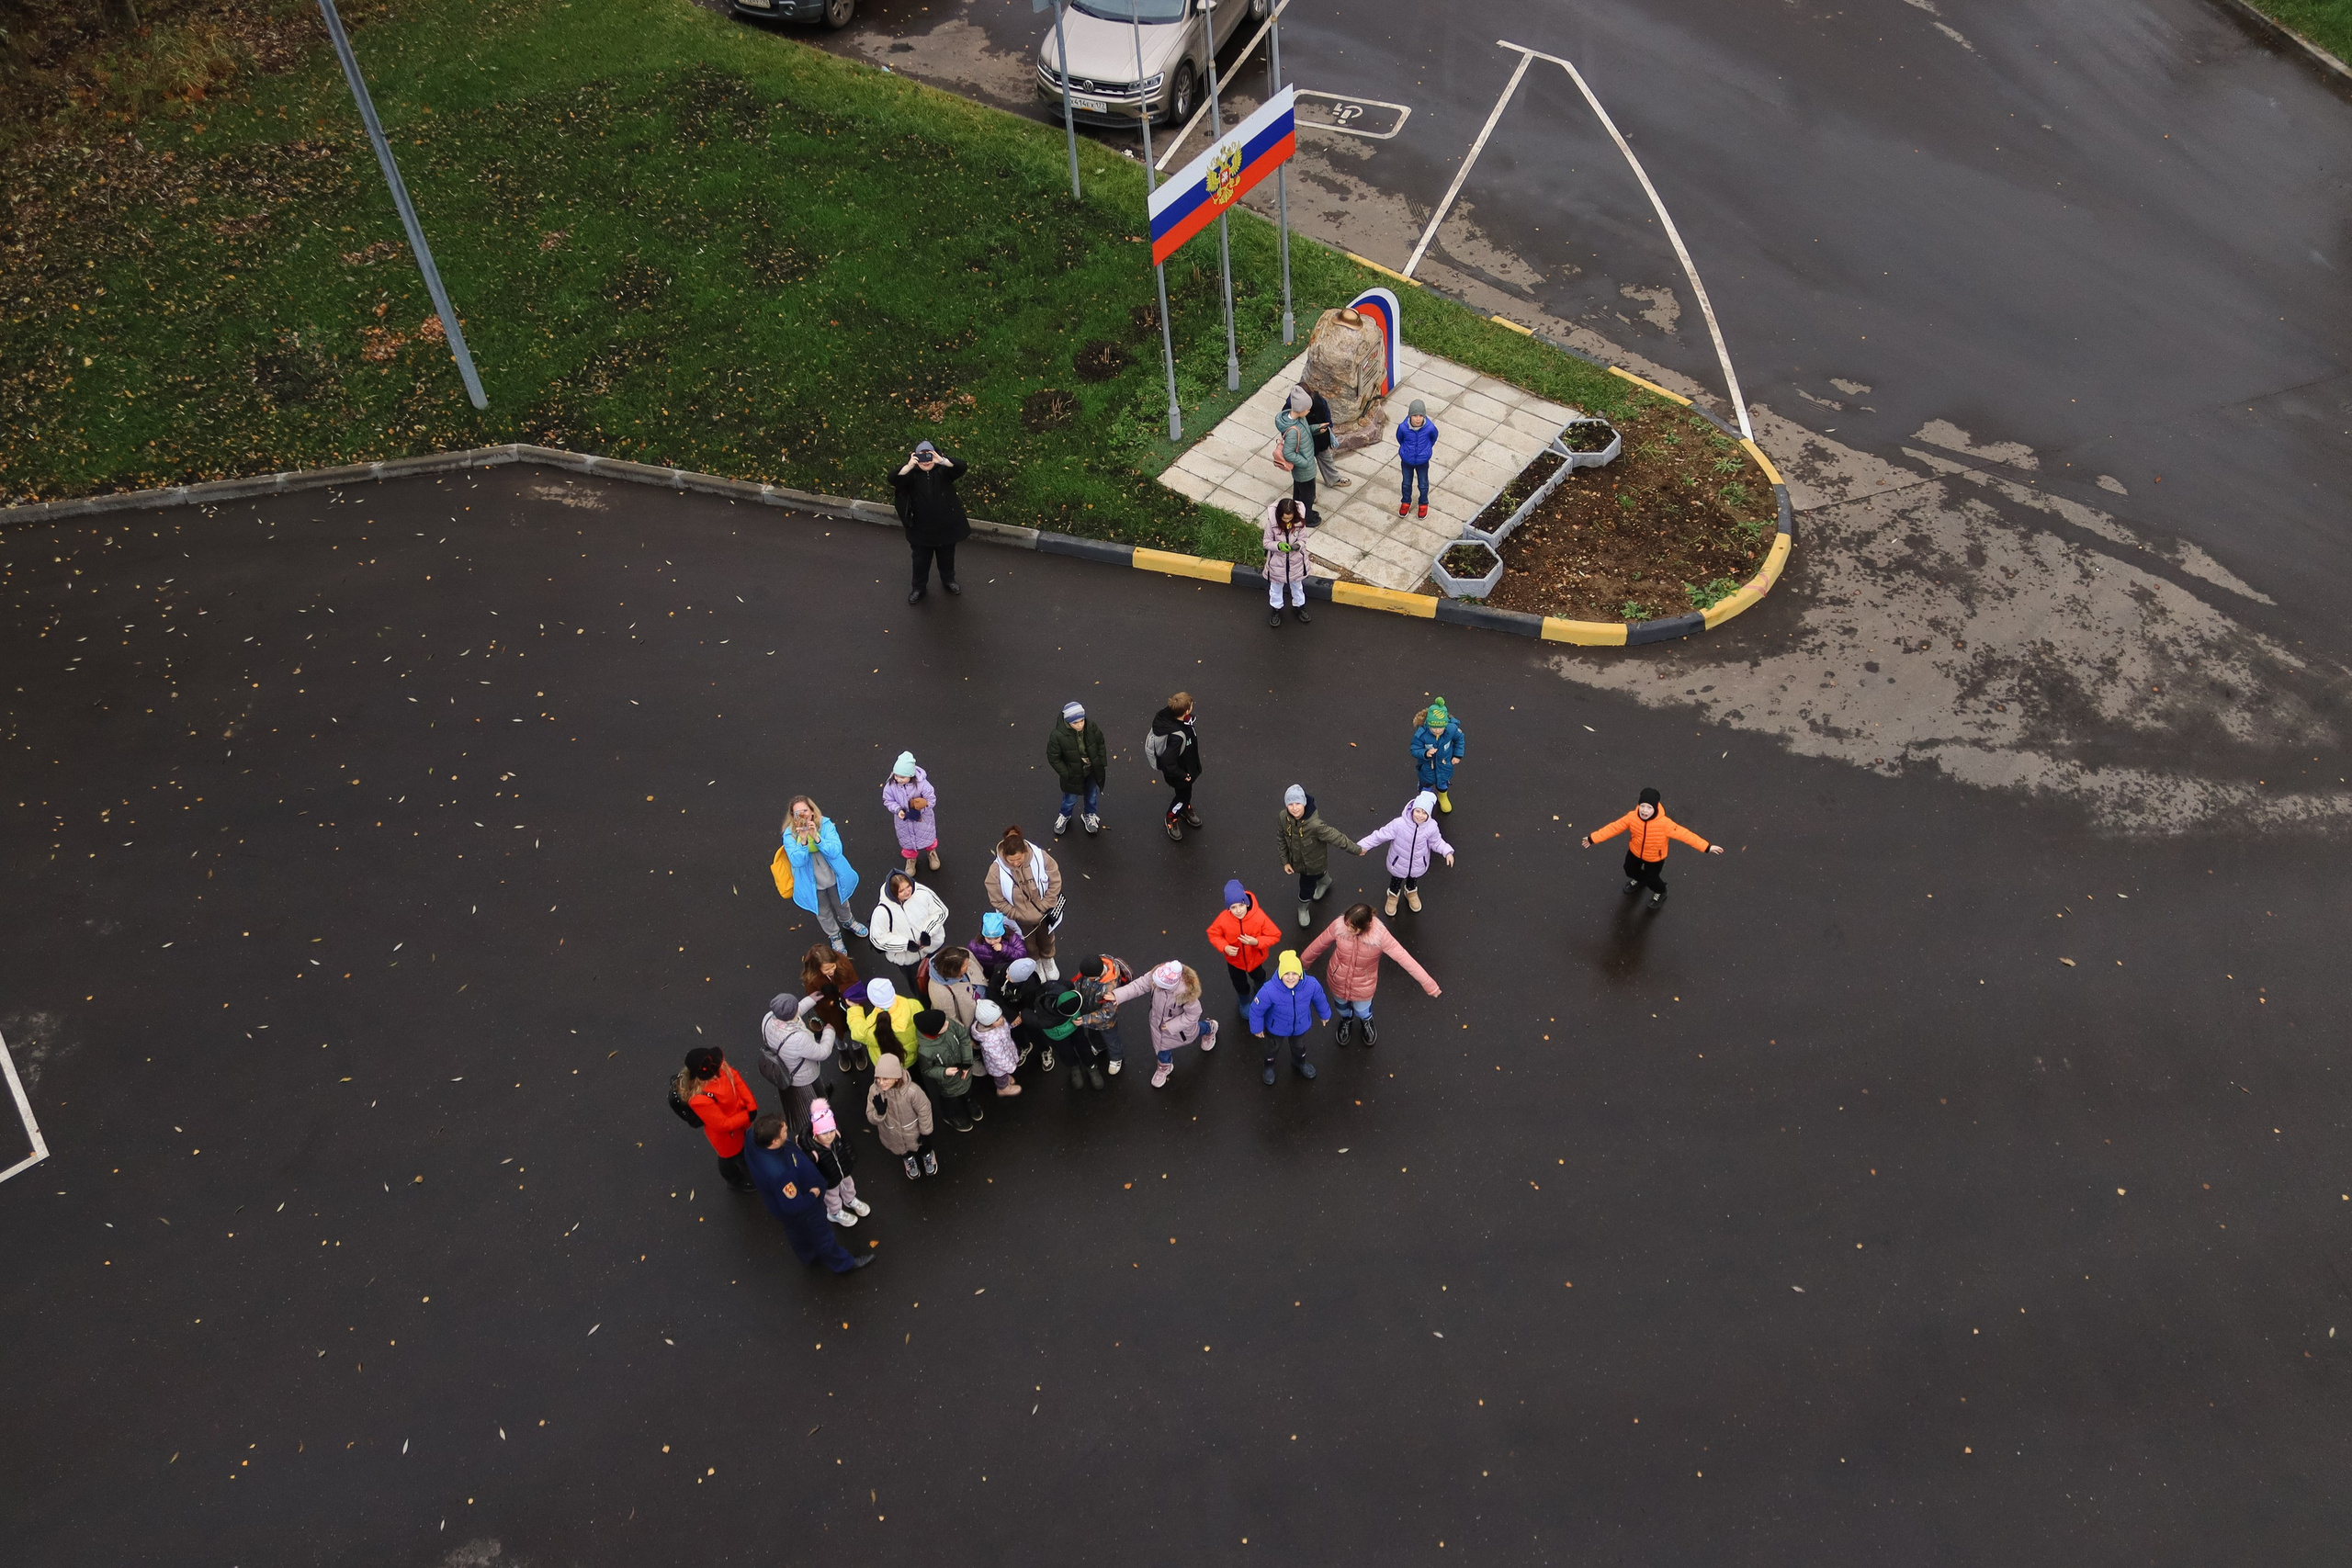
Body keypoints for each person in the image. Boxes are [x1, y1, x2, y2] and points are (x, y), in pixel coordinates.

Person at [1299, 902, 1440, 1047]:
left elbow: (1405, 959)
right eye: (1346, 923)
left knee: (1362, 1009)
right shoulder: (1339, 925)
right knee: (1341, 1006)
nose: (1347, 928)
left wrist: (1429, 984)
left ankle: (1366, 1020)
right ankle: (1346, 1020)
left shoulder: (1381, 937)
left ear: (1364, 926)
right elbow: (1319, 944)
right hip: (1338, 979)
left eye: (1352, 927)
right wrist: (1301, 966)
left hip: (1364, 985)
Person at [745, 1114, 874, 1272]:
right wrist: (813, 1194)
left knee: (797, 1232)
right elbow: (795, 1206)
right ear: (775, 1142)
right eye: (785, 1132)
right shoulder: (779, 1174)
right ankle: (843, 1264)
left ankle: (808, 1255)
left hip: (783, 1210)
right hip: (807, 1209)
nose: (788, 1133)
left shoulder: (752, 1136)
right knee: (823, 1238)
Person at [1581, 786, 1724, 907]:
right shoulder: (1632, 817)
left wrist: (1707, 847)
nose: (1644, 810)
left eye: (1649, 807)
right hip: (1635, 851)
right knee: (1629, 869)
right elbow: (1613, 828)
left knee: (1652, 879)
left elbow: (1686, 835)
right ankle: (1639, 878)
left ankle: (1661, 891)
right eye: (1642, 806)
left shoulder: (1665, 824)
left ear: (1655, 808)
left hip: (1655, 857)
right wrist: (1592, 838)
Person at [1110, 960, 1218, 1089]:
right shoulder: (1157, 976)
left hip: (1180, 1029)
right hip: (1158, 1025)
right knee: (1161, 1047)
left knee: (1196, 1032)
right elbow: (1138, 986)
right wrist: (1117, 995)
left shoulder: (1186, 995)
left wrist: (1172, 1025)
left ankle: (1210, 1027)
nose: (1154, 984)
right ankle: (1164, 1066)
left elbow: (1193, 1014)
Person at [780, 795, 867, 953]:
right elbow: (797, 861)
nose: (802, 815)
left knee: (841, 901)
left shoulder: (825, 825)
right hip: (811, 880)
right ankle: (835, 936)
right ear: (793, 817)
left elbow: (836, 851)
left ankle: (848, 921)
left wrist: (817, 838)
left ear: (812, 811)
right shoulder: (790, 835)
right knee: (822, 911)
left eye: (805, 810)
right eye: (797, 813)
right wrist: (804, 841)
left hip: (832, 874)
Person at [891, 440, 969, 604]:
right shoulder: (911, 476)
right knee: (920, 561)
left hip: (946, 529)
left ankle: (949, 580)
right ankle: (918, 587)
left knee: (947, 557)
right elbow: (893, 479)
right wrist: (908, 466)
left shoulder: (943, 472)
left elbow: (961, 466)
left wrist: (941, 460)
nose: (926, 460)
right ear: (915, 457)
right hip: (920, 530)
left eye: (929, 455)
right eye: (921, 456)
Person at [1278, 784, 1366, 929]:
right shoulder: (1284, 818)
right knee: (1319, 874)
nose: (1294, 808)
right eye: (1290, 804)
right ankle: (1326, 881)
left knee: (1306, 887)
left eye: (1298, 803)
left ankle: (1303, 907)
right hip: (1298, 861)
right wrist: (1285, 861)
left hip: (1314, 863)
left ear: (1304, 803)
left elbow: (1337, 838)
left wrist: (1357, 850)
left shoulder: (1316, 826)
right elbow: (1281, 838)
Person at [1358, 792, 1456, 917]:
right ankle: (1393, 895)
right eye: (1418, 811)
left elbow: (1436, 842)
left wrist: (1447, 851)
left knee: (1413, 879)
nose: (1420, 816)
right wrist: (1363, 846)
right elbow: (1380, 835)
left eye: (1424, 813)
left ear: (1429, 814)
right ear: (1412, 809)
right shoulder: (1399, 824)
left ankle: (1410, 892)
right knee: (1396, 880)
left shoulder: (1431, 827)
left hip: (1418, 863)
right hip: (1399, 863)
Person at [676, 1045, 760, 1192]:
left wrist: (751, 1105)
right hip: (727, 1137)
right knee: (729, 1158)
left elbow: (737, 1080)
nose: (720, 1070)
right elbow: (722, 1124)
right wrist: (747, 1115)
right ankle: (734, 1180)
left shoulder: (720, 1068)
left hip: (739, 1124)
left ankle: (746, 1165)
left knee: (742, 1150)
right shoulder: (699, 1099)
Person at [986, 826, 1065, 980]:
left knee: (1047, 937)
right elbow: (997, 900)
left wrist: (1045, 905)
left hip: (1043, 913)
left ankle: (1048, 959)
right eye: (1011, 861)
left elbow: (1055, 881)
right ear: (1004, 856)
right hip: (1019, 918)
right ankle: (1035, 962)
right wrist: (1017, 915)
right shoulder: (995, 871)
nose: (1016, 863)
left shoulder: (1040, 857)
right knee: (1028, 944)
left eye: (1019, 859)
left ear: (1025, 852)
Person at [1247, 950, 1330, 1085]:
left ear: (1300, 974)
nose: (1290, 977)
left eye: (1294, 973)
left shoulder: (1311, 985)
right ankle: (1269, 1066)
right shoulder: (1269, 990)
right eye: (1286, 973)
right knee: (1272, 1047)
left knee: (1299, 1046)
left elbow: (1320, 999)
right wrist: (1257, 1028)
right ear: (1280, 974)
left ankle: (1299, 1062)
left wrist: (1324, 1014)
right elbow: (1257, 1009)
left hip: (1300, 1026)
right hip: (1276, 1028)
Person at [756, 992, 833, 1134]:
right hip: (802, 1078)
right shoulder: (797, 1039)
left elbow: (792, 1014)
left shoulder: (768, 1019)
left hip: (786, 1072)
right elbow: (823, 1052)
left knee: (803, 1103)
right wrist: (829, 1032)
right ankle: (820, 1128)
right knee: (811, 1106)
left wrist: (810, 1000)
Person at [869, 871, 949, 1000]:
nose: (907, 892)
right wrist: (905, 945)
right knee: (921, 989)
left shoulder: (923, 892)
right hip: (909, 961)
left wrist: (927, 932)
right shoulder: (882, 911)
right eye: (901, 891)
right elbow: (877, 939)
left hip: (934, 949)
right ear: (893, 892)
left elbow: (941, 912)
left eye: (908, 886)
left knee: (946, 977)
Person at [1205, 877, 1283, 1008]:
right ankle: (1244, 1001)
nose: (1239, 910)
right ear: (1228, 908)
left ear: (1246, 903)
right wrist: (1225, 947)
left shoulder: (1259, 917)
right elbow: (1213, 933)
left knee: (1259, 975)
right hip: (1234, 961)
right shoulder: (1223, 920)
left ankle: (1261, 990)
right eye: (1233, 907)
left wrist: (1257, 941)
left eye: (1241, 905)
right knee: (1239, 983)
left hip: (1256, 958)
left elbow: (1275, 935)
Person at [800, 1093, 869, 1227]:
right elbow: (809, 1171)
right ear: (815, 1133)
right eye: (824, 1133)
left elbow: (847, 1144)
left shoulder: (837, 1134)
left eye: (831, 1131)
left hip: (843, 1170)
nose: (829, 1136)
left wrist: (850, 1156)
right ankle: (834, 1212)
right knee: (832, 1197)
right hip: (829, 1180)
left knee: (848, 1185)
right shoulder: (813, 1151)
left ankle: (850, 1200)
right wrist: (820, 1182)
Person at [866, 1055, 939, 1179]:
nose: (881, 1082)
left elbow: (924, 1109)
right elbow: (871, 1117)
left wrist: (925, 1132)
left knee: (923, 1146)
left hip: (914, 1131)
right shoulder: (875, 1091)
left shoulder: (912, 1091)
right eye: (878, 1078)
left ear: (896, 1078)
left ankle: (927, 1155)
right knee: (902, 1150)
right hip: (892, 1133)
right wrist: (879, 1113)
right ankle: (909, 1159)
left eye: (885, 1078)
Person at [1146, 692, 1204, 841]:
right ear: (1186, 711)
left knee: (1185, 794)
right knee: (1183, 795)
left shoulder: (1170, 716)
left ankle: (1185, 808)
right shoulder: (1177, 737)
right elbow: (1168, 762)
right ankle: (1172, 816)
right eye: (1191, 705)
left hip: (1186, 766)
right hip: (1181, 774)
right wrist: (1183, 775)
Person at [912, 1009, 983, 1132]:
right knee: (950, 1100)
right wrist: (944, 1072)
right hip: (947, 1083)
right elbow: (927, 1070)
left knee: (968, 1088)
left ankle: (969, 1101)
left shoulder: (948, 1024)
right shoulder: (925, 1051)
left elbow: (963, 1037)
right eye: (944, 1024)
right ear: (935, 1032)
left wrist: (966, 1062)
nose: (948, 1023)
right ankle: (950, 1116)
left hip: (964, 1072)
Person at [1068, 953, 1135, 1082]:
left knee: (1111, 1038)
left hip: (1106, 1022)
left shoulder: (1110, 988)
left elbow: (1108, 1013)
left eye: (1089, 978)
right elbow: (1078, 982)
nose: (1086, 978)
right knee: (1093, 1034)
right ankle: (1099, 1046)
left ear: (1097, 976)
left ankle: (1116, 1057)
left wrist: (1085, 1019)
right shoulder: (1090, 970)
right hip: (1090, 1014)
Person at [1046, 703, 1109, 837]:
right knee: (1070, 798)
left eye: (1082, 720)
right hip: (1073, 774)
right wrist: (1066, 773)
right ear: (1068, 722)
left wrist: (1101, 762)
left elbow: (1100, 743)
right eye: (1076, 722)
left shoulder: (1091, 726)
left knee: (1092, 794)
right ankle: (1065, 815)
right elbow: (1054, 758)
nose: (1080, 725)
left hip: (1091, 770)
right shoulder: (1057, 736)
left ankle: (1089, 814)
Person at [800, 944, 865, 1072]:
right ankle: (843, 1051)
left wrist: (838, 990)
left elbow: (854, 983)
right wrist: (831, 1003)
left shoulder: (843, 963)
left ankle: (858, 1049)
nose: (831, 971)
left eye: (833, 966)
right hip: (829, 1012)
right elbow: (814, 998)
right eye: (827, 969)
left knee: (855, 1027)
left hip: (849, 1005)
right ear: (817, 969)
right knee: (835, 1032)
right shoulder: (811, 978)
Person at [880, 751, 942, 882]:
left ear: (911, 775)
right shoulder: (891, 786)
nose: (898, 779)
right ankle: (911, 859)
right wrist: (897, 810)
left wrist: (923, 805)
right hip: (904, 822)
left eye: (902, 777)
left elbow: (931, 799)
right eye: (896, 775)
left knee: (928, 837)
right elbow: (888, 800)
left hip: (923, 820)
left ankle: (931, 853)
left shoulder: (922, 784)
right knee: (907, 842)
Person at [1260, 498, 1316, 629]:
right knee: (1275, 589)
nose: (1287, 521)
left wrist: (1298, 545)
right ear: (1279, 515)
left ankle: (1299, 606)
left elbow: (1303, 538)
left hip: (1296, 562)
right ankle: (1276, 609)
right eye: (1284, 519)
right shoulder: (1271, 525)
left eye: (1289, 518)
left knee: (1297, 586)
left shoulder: (1300, 523)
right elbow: (1267, 542)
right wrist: (1278, 545)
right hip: (1277, 564)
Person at [845, 976, 922, 1067]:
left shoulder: (873, 1026)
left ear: (873, 1002)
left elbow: (857, 1032)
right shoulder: (914, 1005)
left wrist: (855, 1009)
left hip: (887, 1065)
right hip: (911, 1057)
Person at [997, 956, 1056, 1073]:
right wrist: (1012, 1015)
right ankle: (1024, 1046)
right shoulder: (999, 971)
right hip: (1010, 1009)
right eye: (1008, 973)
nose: (1007, 977)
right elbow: (993, 993)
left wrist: (1024, 1014)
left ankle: (1045, 1049)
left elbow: (1035, 1001)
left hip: (1026, 1009)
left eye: (1011, 978)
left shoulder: (1032, 984)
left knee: (1035, 1030)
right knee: (1016, 1030)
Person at [1410, 699, 1465, 813]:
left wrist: (1457, 755)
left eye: (1441, 728)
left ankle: (1442, 796)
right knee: (1426, 785)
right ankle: (1425, 802)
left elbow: (1460, 739)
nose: (1437, 730)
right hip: (1427, 768)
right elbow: (1414, 749)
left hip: (1445, 765)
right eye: (1434, 727)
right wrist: (1425, 753)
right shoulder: (1421, 734)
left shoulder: (1451, 729)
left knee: (1443, 783)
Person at [1275, 388, 1320, 524]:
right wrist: (1306, 462)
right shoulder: (1293, 431)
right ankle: (1307, 518)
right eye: (1307, 409)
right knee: (1308, 495)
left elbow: (1305, 432)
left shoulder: (1300, 420)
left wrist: (1317, 428)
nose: (1309, 411)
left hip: (1304, 467)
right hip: (1304, 468)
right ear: (1300, 409)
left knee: (1299, 492)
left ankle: (1298, 512)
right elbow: (1288, 453)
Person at [1300, 382, 1351, 491]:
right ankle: (1308, 496)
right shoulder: (1294, 408)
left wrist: (1329, 427)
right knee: (1306, 470)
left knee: (1326, 458)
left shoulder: (1318, 401)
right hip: (1304, 441)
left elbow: (1326, 414)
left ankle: (1333, 479)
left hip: (1320, 438)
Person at [924, 946, 987, 1031]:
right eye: (965, 965)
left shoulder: (962, 955)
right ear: (953, 971)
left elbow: (979, 968)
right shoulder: (939, 992)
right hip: (972, 1020)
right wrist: (965, 1037)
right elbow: (951, 1020)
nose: (969, 965)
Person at [972, 998, 1024, 1096]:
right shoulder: (990, 1041)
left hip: (1006, 1053)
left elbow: (1004, 1029)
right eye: (997, 1019)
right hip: (998, 1065)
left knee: (1003, 1074)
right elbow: (998, 1058)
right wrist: (1009, 1067)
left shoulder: (996, 1024)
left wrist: (1012, 1025)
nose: (1002, 1019)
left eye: (1000, 1016)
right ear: (988, 1023)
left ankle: (1005, 1079)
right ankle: (1003, 1089)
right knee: (1000, 1076)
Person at [1396, 398, 1439, 519]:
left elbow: (1433, 437)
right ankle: (1405, 502)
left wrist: (1426, 449)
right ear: (1410, 416)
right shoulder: (1403, 427)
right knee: (1406, 483)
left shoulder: (1430, 428)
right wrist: (1406, 450)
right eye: (1415, 415)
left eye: (1421, 415)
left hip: (1422, 461)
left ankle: (1423, 504)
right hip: (1407, 460)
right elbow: (1400, 438)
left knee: (1423, 484)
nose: (1418, 418)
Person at [967, 910, 1027, 987]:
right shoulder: (974, 945)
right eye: (988, 938)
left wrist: (1004, 949)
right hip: (989, 976)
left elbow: (1022, 954)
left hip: (1008, 974)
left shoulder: (1012, 938)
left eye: (996, 938)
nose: (992, 942)